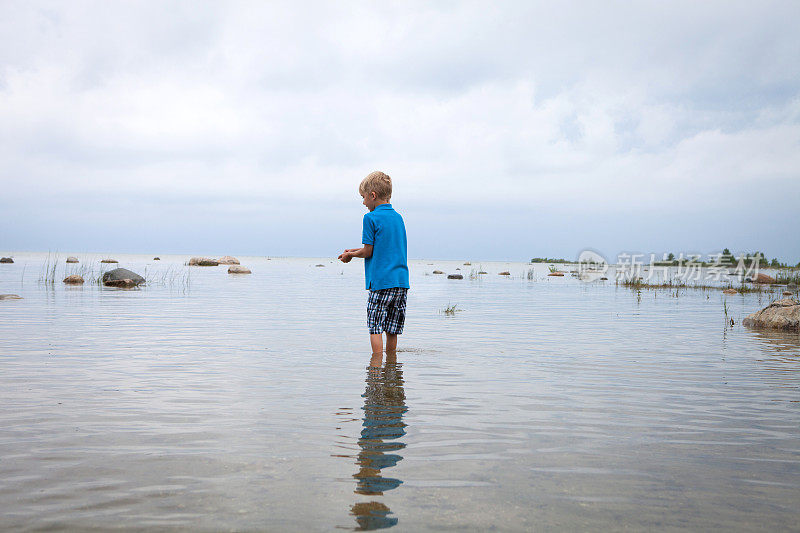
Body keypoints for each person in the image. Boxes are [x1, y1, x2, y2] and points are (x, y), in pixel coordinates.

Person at [338, 171, 410, 363]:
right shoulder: (398, 218)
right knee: (392, 328)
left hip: (380, 282)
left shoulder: (369, 218)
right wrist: (354, 250)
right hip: (401, 282)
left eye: (363, 198)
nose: (363, 203)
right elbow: (382, 246)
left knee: (375, 326)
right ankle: (391, 366)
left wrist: (351, 256)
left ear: (373, 195)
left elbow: (368, 252)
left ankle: (376, 369)